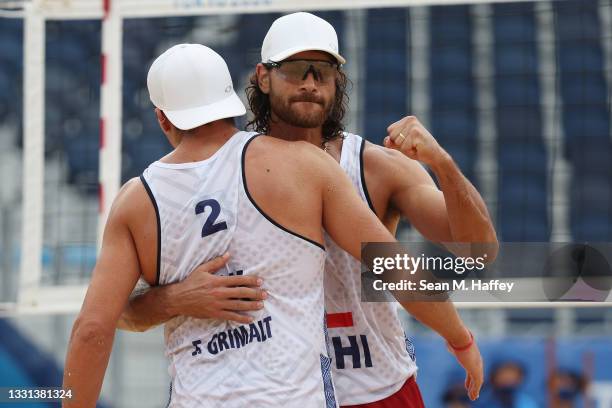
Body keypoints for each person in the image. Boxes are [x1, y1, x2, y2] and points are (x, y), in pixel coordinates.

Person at [119, 12, 497, 407]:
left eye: (323, 70)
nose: (310, 83)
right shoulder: (217, 171)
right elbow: (123, 312)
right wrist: (175, 299)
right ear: (263, 77)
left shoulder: (375, 166)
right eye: (296, 69)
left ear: (338, 80)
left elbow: (478, 250)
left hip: (375, 386)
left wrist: (443, 164)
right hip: (275, 394)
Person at [62, 43, 433, 408]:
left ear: (162, 117)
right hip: (308, 394)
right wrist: (460, 339)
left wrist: (171, 300)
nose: (310, 85)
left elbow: (94, 328)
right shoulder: (302, 164)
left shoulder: (136, 200)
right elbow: (402, 262)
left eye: (318, 73)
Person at [475, 361, 540, 408]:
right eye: (503, 374)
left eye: (513, 375)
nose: (508, 378)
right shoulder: (483, 402)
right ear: (494, 377)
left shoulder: (527, 403)